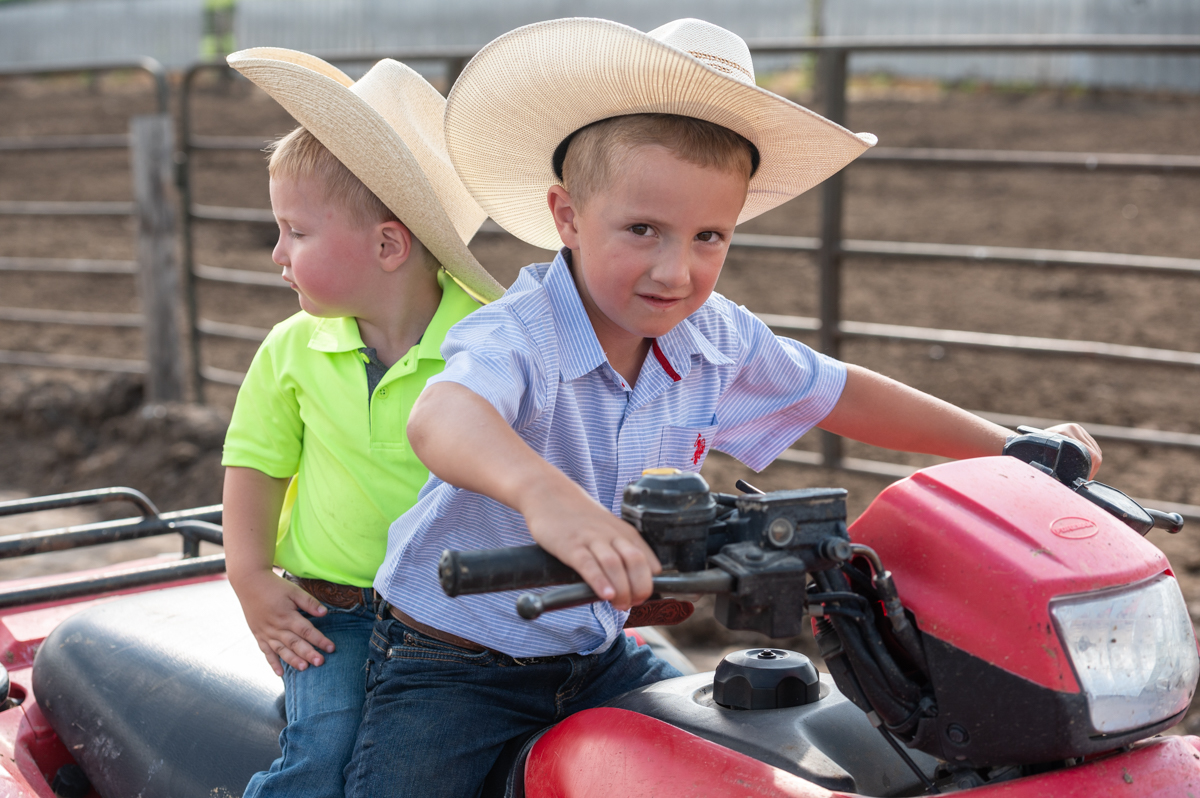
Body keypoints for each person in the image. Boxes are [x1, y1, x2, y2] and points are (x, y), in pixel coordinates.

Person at [344, 18, 1102, 797]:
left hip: (598, 650)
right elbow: (444, 417)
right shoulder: (520, 334)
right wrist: (548, 500)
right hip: (456, 663)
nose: (676, 270)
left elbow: (837, 390)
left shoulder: (714, 335)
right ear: (566, 216)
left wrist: (1006, 446)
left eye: (710, 235)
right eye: (643, 229)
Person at [218, 47, 504, 798]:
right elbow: (255, 466)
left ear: (386, 244)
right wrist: (251, 579)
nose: (278, 255)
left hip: (456, 619)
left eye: (296, 233)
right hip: (334, 609)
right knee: (322, 755)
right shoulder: (291, 348)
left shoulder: (490, 347)